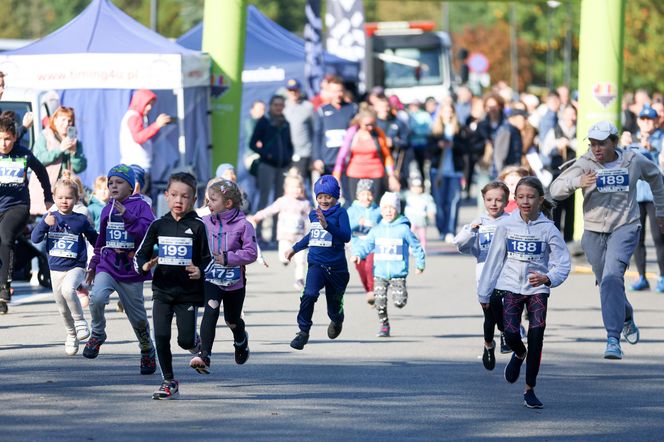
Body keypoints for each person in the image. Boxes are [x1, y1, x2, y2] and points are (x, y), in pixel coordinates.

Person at [550, 121, 664, 360]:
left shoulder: (633, 161)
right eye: (592, 144)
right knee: (607, 282)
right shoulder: (584, 163)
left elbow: (656, 178)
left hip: (625, 226)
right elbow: (555, 189)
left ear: (615, 142)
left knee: (612, 276)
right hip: (592, 232)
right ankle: (625, 315)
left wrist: (661, 211)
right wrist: (576, 183)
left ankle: (613, 338)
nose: (596, 149)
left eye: (602, 143)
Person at [479, 177, 571, 409]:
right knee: (510, 335)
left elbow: (563, 264)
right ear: (515, 199)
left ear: (540, 200)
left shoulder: (548, 229)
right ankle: (519, 354)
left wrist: (548, 278)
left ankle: (529, 389)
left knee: (537, 335)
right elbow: (494, 259)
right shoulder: (506, 225)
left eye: (530, 197)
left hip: (537, 289)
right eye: (520, 197)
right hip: (510, 287)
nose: (525, 201)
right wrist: (484, 294)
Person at [134, 172, 211, 400]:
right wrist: (144, 266)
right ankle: (169, 381)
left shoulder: (198, 226)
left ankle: (195, 343)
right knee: (161, 336)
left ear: (193, 199)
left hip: (187, 293)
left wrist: (200, 270)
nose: (179, 200)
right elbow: (141, 254)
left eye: (185, 196)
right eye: (174, 195)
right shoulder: (159, 225)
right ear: (166, 196)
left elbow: (207, 258)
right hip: (162, 291)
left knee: (184, 340)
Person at [83, 164, 157, 375]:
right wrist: (94, 264)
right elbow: (101, 240)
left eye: (119, 182)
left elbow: (147, 234)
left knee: (139, 318)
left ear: (132, 186)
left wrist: (127, 216)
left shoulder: (141, 207)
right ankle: (98, 333)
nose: (113, 186)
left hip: (131, 270)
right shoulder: (107, 208)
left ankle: (146, 349)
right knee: (96, 297)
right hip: (108, 264)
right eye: (110, 183)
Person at [189, 179, 257, 375]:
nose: (208, 203)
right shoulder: (204, 222)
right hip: (211, 277)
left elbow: (251, 253)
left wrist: (229, 258)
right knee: (211, 309)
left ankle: (240, 339)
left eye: (213, 200)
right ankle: (204, 356)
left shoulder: (244, 225)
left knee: (232, 319)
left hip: (235, 281)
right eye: (208, 200)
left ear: (227, 203)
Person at [31, 176, 97, 355]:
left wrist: (104, 250)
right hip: (55, 269)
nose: (64, 201)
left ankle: (81, 322)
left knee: (69, 290)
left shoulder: (80, 219)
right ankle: (71, 335)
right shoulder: (50, 217)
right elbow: (35, 238)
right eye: (60, 197)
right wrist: (44, 224)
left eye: (68, 197)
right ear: (54, 197)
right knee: (61, 307)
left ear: (76, 199)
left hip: (76, 266)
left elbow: (95, 238)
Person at [284, 175, 351, 350]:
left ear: (335, 196)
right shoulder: (314, 214)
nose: (323, 200)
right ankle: (303, 332)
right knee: (309, 294)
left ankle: (337, 319)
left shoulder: (341, 213)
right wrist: (295, 248)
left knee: (333, 307)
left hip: (336, 268)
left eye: (328, 197)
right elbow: (312, 236)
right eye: (320, 197)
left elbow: (346, 236)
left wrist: (328, 225)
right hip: (316, 264)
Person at [351, 192, 425, 337]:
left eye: (392, 208)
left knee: (399, 302)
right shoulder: (377, 230)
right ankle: (384, 325)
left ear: (397, 209)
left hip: (398, 273)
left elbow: (416, 246)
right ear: (381, 210)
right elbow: (366, 245)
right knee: (379, 300)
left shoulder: (403, 229)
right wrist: (358, 254)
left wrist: (420, 264)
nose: (388, 211)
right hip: (379, 273)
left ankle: (401, 295)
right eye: (385, 208)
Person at [454, 181, 510, 369]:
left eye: (499, 200)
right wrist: (470, 229)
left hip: (506, 274)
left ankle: (504, 333)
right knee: (489, 316)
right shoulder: (478, 222)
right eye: (489, 199)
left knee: (502, 306)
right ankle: (488, 345)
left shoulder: (512, 221)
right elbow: (460, 245)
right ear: (483, 200)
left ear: (506, 201)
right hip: (484, 274)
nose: (494, 204)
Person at [0, 116, 53, 314]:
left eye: (7, 139)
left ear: (14, 137)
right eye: (0, 139)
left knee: (5, 238)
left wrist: (48, 197)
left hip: (18, 207)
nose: (3, 144)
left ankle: (4, 285)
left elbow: (41, 172)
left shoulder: (22, 154)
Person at [248, 171, 311, 290]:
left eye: (298, 187)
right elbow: (269, 210)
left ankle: (299, 279)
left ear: (302, 188)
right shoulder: (283, 201)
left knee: (301, 260)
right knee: (284, 257)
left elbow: (311, 217)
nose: (296, 190)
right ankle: (285, 260)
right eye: (292, 187)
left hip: (299, 237)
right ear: (286, 188)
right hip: (284, 237)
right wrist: (256, 217)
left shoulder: (305, 203)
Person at [628, 105, 664, 292]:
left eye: (650, 119)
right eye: (643, 119)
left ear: (656, 121)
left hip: (654, 194)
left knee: (659, 237)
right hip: (636, 194)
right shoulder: (632, 139)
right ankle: (641, 276)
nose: (646, 122)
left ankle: (663, 276)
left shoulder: (661, 139)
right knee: (637, 237)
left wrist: (654, 151)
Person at [249, 95, 294, 243]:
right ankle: (259, 233)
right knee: (264, 198)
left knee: (279, 200)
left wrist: (289, 157)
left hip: (282, 166)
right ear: (271, 106)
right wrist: (266, 154)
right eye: (276, 105)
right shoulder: (264, 121)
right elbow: (252, 143)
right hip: (267, 166)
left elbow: (289, 144)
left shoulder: (286, 123)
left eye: (281, 105)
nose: (278, 108)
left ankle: (276, 234)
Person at [28, 106, 87, 216]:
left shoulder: (74, 142)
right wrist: (59, 149)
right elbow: (38, 158)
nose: (66, 124)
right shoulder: (45, 136)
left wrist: (74, 153)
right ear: (54, 120)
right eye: (63, 119)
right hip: (45, 188)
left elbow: (80, 167)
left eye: (69, 120)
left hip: (65, 190)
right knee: (42, 220)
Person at [332, 107, 399, 201]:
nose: (370, 128)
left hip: (376, 174)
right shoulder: (352, 133)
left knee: (374, 205)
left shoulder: (378, 133)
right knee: (356, 205)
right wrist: (336, 176)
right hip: (355, 174)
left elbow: (387, 156)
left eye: (373, 124)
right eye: (367, 125)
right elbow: (342, 155)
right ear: (359, 122)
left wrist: (391, 176)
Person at [119, 89, 172, 194]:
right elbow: (138, 137)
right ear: (140, 101)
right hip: (136, 167)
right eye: (147, 104)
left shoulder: (138, 116)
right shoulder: (134, 116)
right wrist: (156, 125)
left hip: (138, 166)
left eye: (151, 104)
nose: (149, 108)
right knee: (140, 201)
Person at [430, 102, 468, 242]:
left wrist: (454, 145)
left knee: (453, 201)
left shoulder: (459, 130)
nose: (448, 114)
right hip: (438, 171)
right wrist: (438, 146)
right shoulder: (435, 130)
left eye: (450, 111)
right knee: (439, 202)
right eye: (445, 111)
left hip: (455, 171)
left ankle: (450, 230)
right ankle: (441, 228)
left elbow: (465, 149)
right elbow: (428, 151)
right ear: (440, 113)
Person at [541, 105, 578, 242]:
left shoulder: (578, 131)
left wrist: (570, 143)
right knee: (555, 208)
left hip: (573, 177)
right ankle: (554, 240)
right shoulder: (554, 131)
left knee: (570, 210)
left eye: (573, 114)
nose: (571, 118)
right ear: (563, 115)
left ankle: (568, 241)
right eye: (568, 114)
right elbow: (544, 150)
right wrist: (557, 144)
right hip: (556, 175)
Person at [312, 77, 357, 176]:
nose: (338, 94)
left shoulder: (353, 108)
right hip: (328, 161)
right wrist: (317, 158)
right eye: (334, 91)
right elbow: (317, 135)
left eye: (340, 91)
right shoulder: (322, 110)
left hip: (348, 161)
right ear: (329, 92)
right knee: (329, 191)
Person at [346, 179, 382, 305]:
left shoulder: (378, 210)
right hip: (357, 247)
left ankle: (372, 290)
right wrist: (357, 223)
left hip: (373, 246)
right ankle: (369, 291)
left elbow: (384, 225)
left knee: (370, 267)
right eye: (363, 194)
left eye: (369, 194)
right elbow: (345, 227)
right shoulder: (352, 210)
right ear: (357, 195)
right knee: (361, 270)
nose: (366, 197)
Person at [283, 79, 315, 184]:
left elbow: (314, 130)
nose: (293, 92)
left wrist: (314, 155)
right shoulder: (282, 107)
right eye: (290, 90)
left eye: (295, 90)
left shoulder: (308, 107)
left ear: (300, 90)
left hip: (303, 152)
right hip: (286, 153)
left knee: (300, 184)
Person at [404, 177, 436, 251]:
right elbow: (399, 195)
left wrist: (431, 212)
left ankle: (422, 248)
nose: (417, 189)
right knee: (410, 235)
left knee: (422, 236)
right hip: (411, 221)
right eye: (414, 187)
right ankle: (410, 247)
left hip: (422, 221)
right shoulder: (408, 195)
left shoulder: (426, 197)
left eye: (419, 187)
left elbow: (431, 205)